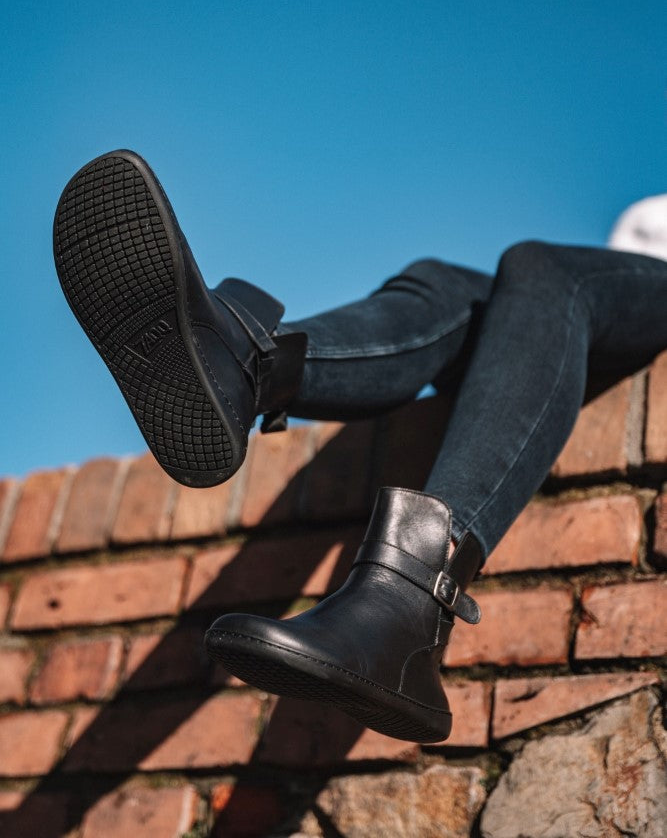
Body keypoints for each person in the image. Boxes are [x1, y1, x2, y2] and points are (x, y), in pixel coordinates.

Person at [53, 151, 667, 743]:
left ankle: (410, 602)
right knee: (443, 282)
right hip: (598, 303)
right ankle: (244, 363)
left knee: (540, 268)